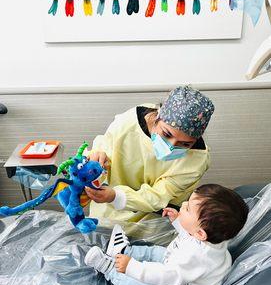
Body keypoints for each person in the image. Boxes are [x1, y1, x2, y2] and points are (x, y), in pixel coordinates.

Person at [84, 184, 249, 285]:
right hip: (182, 272)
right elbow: (189, 238)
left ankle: (109, 268)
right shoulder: (211, 238)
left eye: (188, 209)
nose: (183, 204)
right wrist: (179, 221)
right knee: (157, 252)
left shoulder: (197, 258)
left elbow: (167, 276)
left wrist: (132, 267)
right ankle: (124, 251)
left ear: (200, 233)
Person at [85, 85, 215, 222]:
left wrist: (116, 196)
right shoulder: (130, 123)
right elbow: (106, 145)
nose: (171, 146)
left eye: (185, 144)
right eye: (166, 134)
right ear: (157, 118)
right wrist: (97, 156)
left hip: (153, 221)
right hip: (107, 209)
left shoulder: (196, 160)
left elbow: (158, 196)